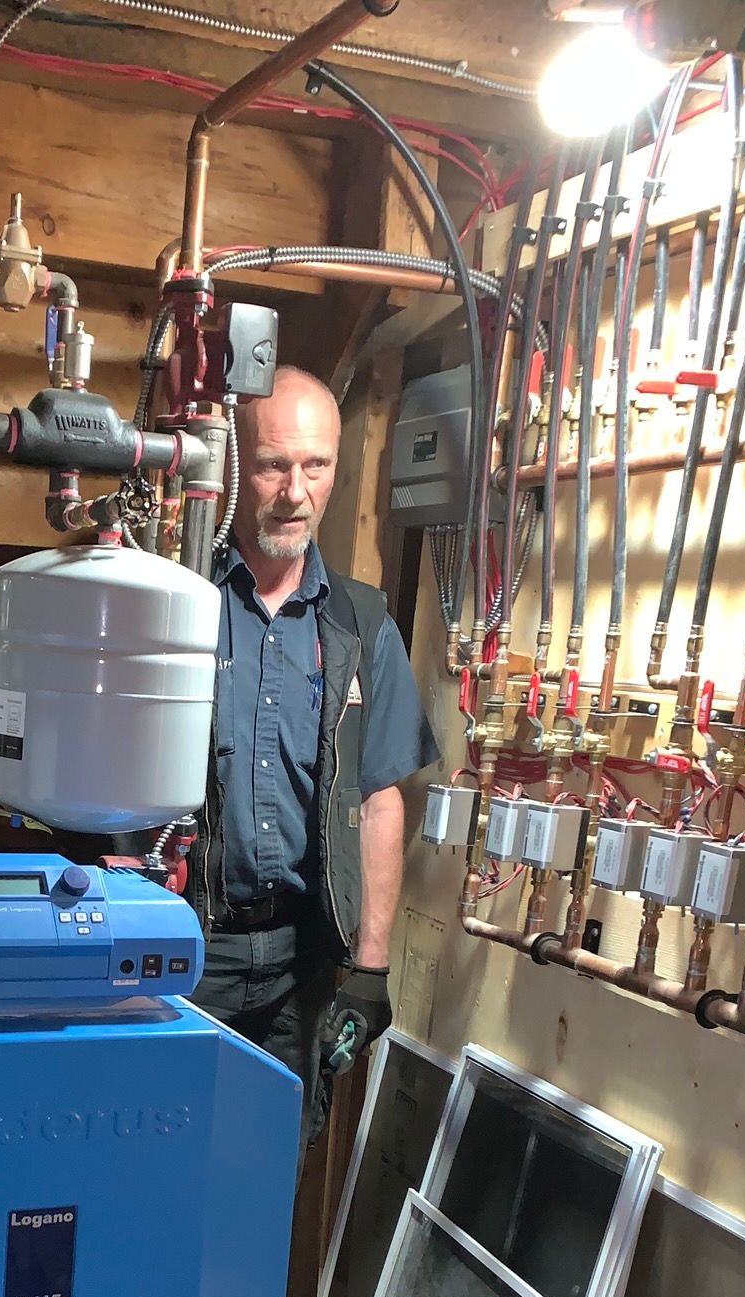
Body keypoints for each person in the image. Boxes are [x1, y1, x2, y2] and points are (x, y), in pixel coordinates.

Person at [189, 366, 438, 1145]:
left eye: (317, 466)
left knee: (270, 1177)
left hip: (301, 965)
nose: (295, 492)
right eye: (273, 466)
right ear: (235, 465)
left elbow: (380, 795)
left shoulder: (360, 623)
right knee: (159, 1170)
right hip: (186, 954)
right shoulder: (178, 595)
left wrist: (369, 968)